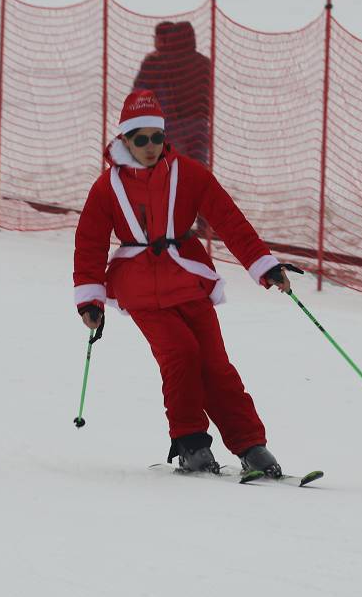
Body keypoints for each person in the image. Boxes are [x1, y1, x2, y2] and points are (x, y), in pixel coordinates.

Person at [73, 89, 293, 477]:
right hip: (139, 287)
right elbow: (90, 241)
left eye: (157, 137)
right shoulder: (107, 187)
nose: (150, 146)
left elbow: (228, 220)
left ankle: (251, 446)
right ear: (124, 139)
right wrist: (90, 297)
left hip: (187, 278)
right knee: (180, 355)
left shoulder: (188, 174)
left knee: (215, 364)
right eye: (140, 138)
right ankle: (191, 443)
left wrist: (264, 265)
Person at [133, 21, 211, 167]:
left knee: (172, 168)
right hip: (199, 124)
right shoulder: (205, 63)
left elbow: (139, 93)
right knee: (199, 169)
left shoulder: (159, 62)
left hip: (171, 124)